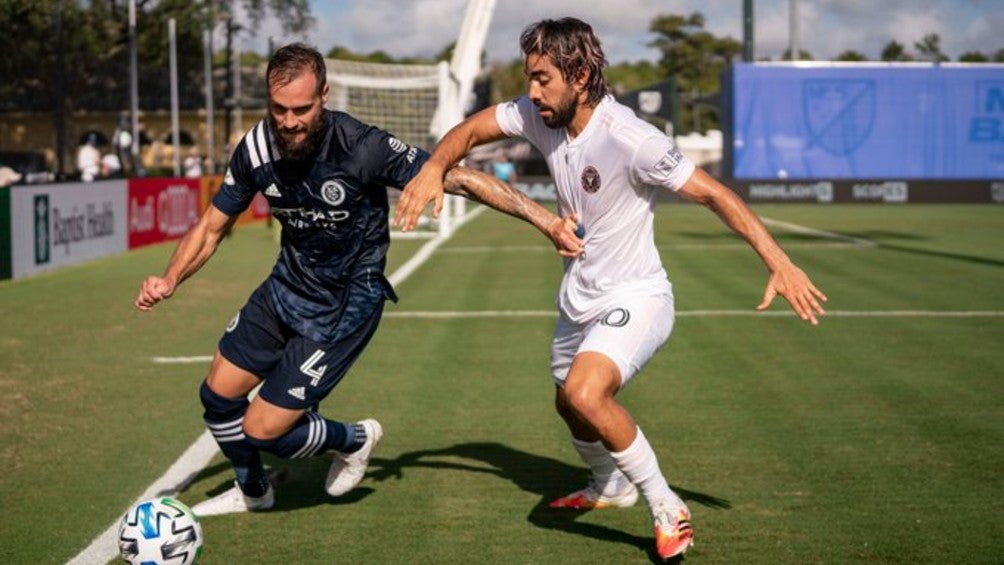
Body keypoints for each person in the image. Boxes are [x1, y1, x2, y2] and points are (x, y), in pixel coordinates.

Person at [395, 18, 828, 561]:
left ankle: (666, 505)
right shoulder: (539, 113)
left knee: (585, 392)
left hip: (638, 296)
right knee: (568, 403)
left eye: (543, 78)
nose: (531, 91)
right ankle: (610, 483)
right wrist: (436, 164)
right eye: (530, 78)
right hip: (580, 295)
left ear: (578, 75)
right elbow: (470, 130)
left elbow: (716, 195)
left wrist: (779, 261)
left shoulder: (631, 137)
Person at [134, 43, 580, 518]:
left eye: (301, 109)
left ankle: (355, 438)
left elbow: (461, 178)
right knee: (218, 398)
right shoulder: (258, 148)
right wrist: (170, 278)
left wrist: (547, 221)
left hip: (344, 305)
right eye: (278, 109)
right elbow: (212, 226)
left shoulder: (361, 146)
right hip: (285, 288)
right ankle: (253, 491)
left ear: (324, 95)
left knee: (266, 432)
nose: (288, 122)